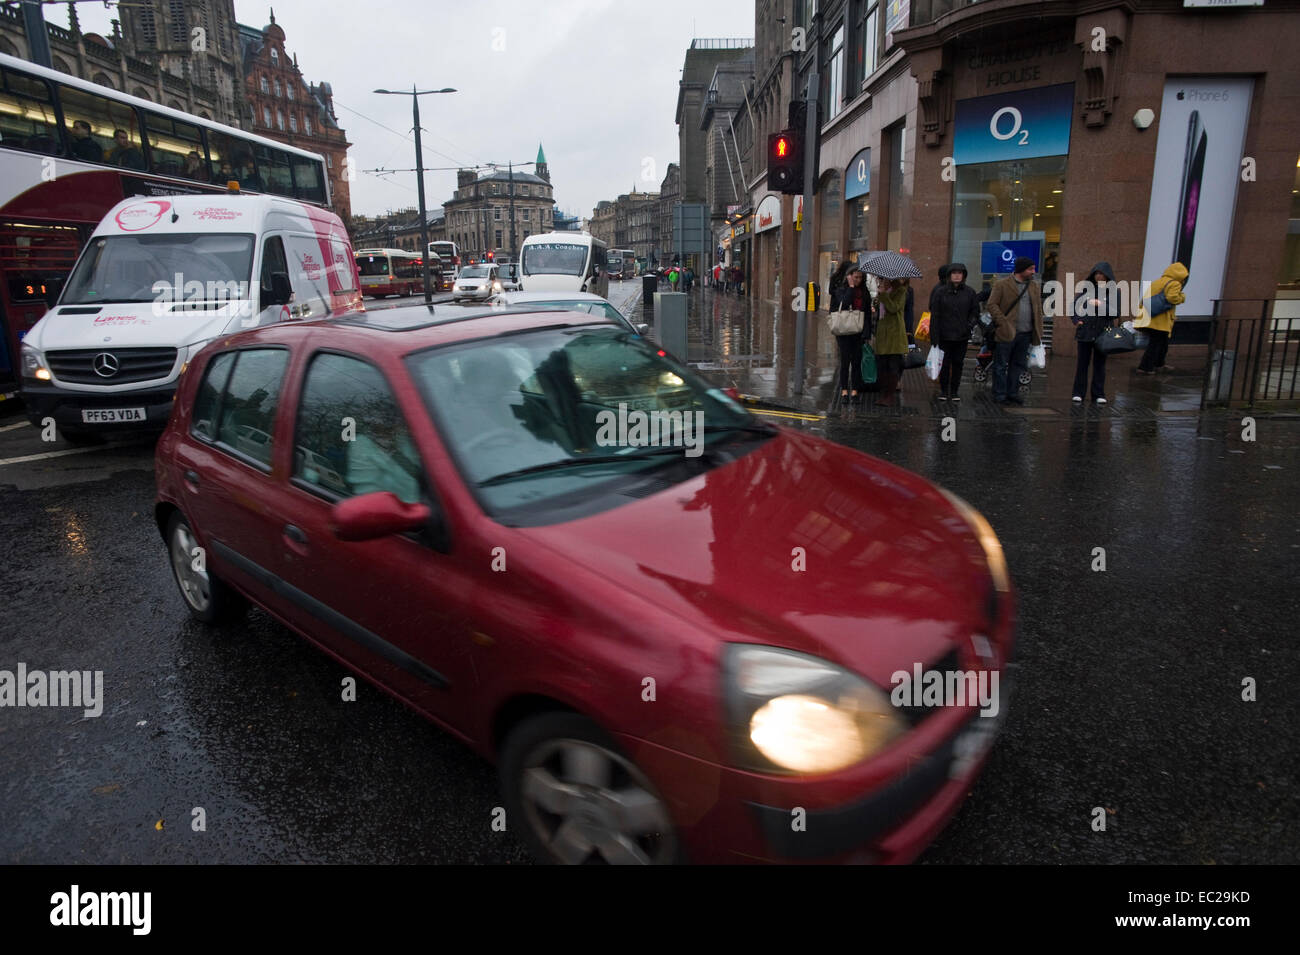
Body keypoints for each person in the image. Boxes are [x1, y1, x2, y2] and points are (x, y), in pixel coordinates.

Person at [986, 257, 1043, 405]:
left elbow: (1037, 309)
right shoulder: (1002, 284)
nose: (1033, 272)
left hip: (1026, 333)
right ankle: (999, 393)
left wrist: (1038, 330)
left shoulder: (1034, 286)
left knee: (1018, 365)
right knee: (1000, 365)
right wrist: (1002, 322)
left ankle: (1012, 392)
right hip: (1006, 332)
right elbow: (992, 305)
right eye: (1030, 269)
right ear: (1021, 270)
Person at [930, 262, 980, 401]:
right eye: (954, 273)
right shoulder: (940, 292)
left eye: (960, 273)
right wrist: (934, 336)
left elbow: (975, 312)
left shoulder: (969, 292)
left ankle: (955, 391)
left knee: (958, 363)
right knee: (944, 364)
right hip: (944, 335)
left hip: (961, 336)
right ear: (949, 275)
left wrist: (968, 325)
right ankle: (944, 390)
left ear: (963, 276)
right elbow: (935, 315)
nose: (957, 276)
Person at [1072, 262, 1118, 402]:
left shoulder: (1114, 292)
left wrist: (1101, 304)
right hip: (1085, 331)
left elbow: (1115, 312)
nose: (1099, 276)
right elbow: (1074, 307)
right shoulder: (1086, 290)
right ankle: (1078, 393)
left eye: (1102, 274)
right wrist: (1077, 320)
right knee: (1082, 364)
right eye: (1097, 273)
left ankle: (1098, 394)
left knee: (1100, 364)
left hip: (1103, 333)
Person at [1136, 262, 1188, 375]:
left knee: (1162, 343)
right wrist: (1182, 297)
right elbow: (1172, 298)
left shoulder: (1157, 282)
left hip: (1150, 317)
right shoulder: (1175, 284)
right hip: (1160, 321)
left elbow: (1144, 300)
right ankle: (1145, 367)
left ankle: (1159, 364)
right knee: (1155, 344)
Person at [830, 267, 869, 400]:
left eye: (860, 278)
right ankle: (844, 390)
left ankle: (855, 390)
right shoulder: (841, 290)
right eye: (855, 277)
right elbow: (844, 304)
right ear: (849, 276)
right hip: (844, 331)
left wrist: (867, 333)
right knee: (845, 361)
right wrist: (851, 287)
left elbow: (867, 313)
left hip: (858, 331)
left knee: (857, 361)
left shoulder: (864, 292)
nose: (858, 280)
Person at [872, 277, 910, 407]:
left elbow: (894, 308)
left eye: (884, 279)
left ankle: (889, 396)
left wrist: (883, 296)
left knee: (893, 367)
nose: (882, 281)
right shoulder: (884, 291)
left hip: (895, 334)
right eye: (882, 279)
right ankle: (883, 394)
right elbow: (879, 308)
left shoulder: (901, 291)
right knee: (882, 366)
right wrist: (879, 297)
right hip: (883, 333)